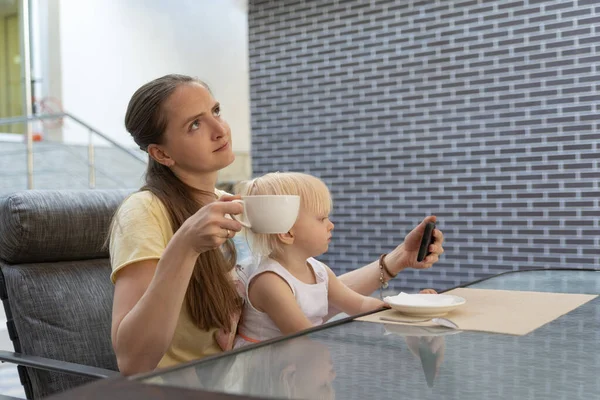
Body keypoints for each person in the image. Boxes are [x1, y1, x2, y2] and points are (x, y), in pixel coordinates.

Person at [108, 74, 445, 376]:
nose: (220, 129)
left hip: (252, 376)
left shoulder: (230, 203)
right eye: (195, 124)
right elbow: (134, 362)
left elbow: (304, 294)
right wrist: (185, 247)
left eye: (216, 111)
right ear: (162, 154)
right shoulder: (144, 211)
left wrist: (396, 259)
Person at [234, 172, 437, 346]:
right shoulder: (270, 282)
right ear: (287, 233)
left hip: (301, 362)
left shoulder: (319, 270)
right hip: (270, 371)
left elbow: (359, 305)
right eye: (322, 218)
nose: (330, 225)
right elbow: (304, 337)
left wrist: (410, 307)